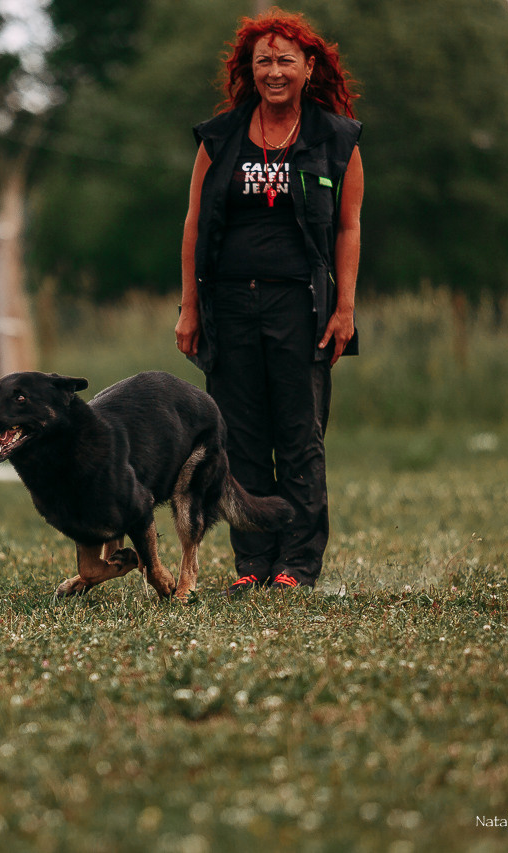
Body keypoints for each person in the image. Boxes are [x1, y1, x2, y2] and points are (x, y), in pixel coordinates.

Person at [175, 8, 362, 593]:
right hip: (229, 307)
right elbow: (193, 225)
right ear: (248, 70)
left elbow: (350, 227)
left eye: (286, 60)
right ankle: (253, 565)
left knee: (300, 439)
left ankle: (298, 567)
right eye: (264, 61)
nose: (275, 70)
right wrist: (190, 306)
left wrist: (345, 310)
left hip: (299, 309)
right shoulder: (220, 137)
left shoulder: (336, 140)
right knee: (239, 440)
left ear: (309, 67)